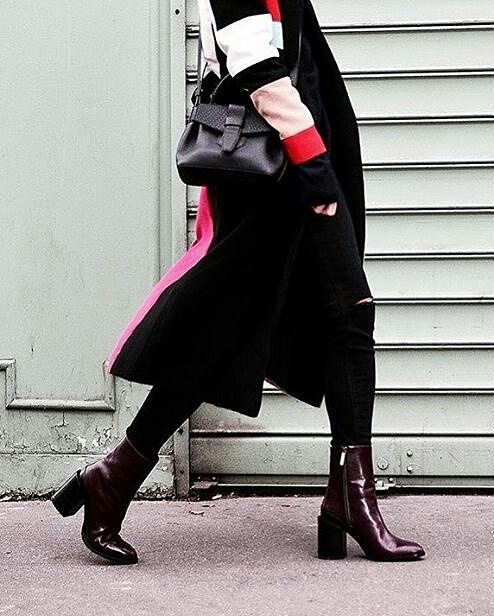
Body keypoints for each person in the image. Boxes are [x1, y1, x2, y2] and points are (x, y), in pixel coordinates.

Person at [50, 0, 425, 565]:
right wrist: (313, 164)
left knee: (344, 313)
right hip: (280, 164)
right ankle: (115, 474)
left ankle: (349, 497)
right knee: (227, 328)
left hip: (300, 152)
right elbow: (251, 61)